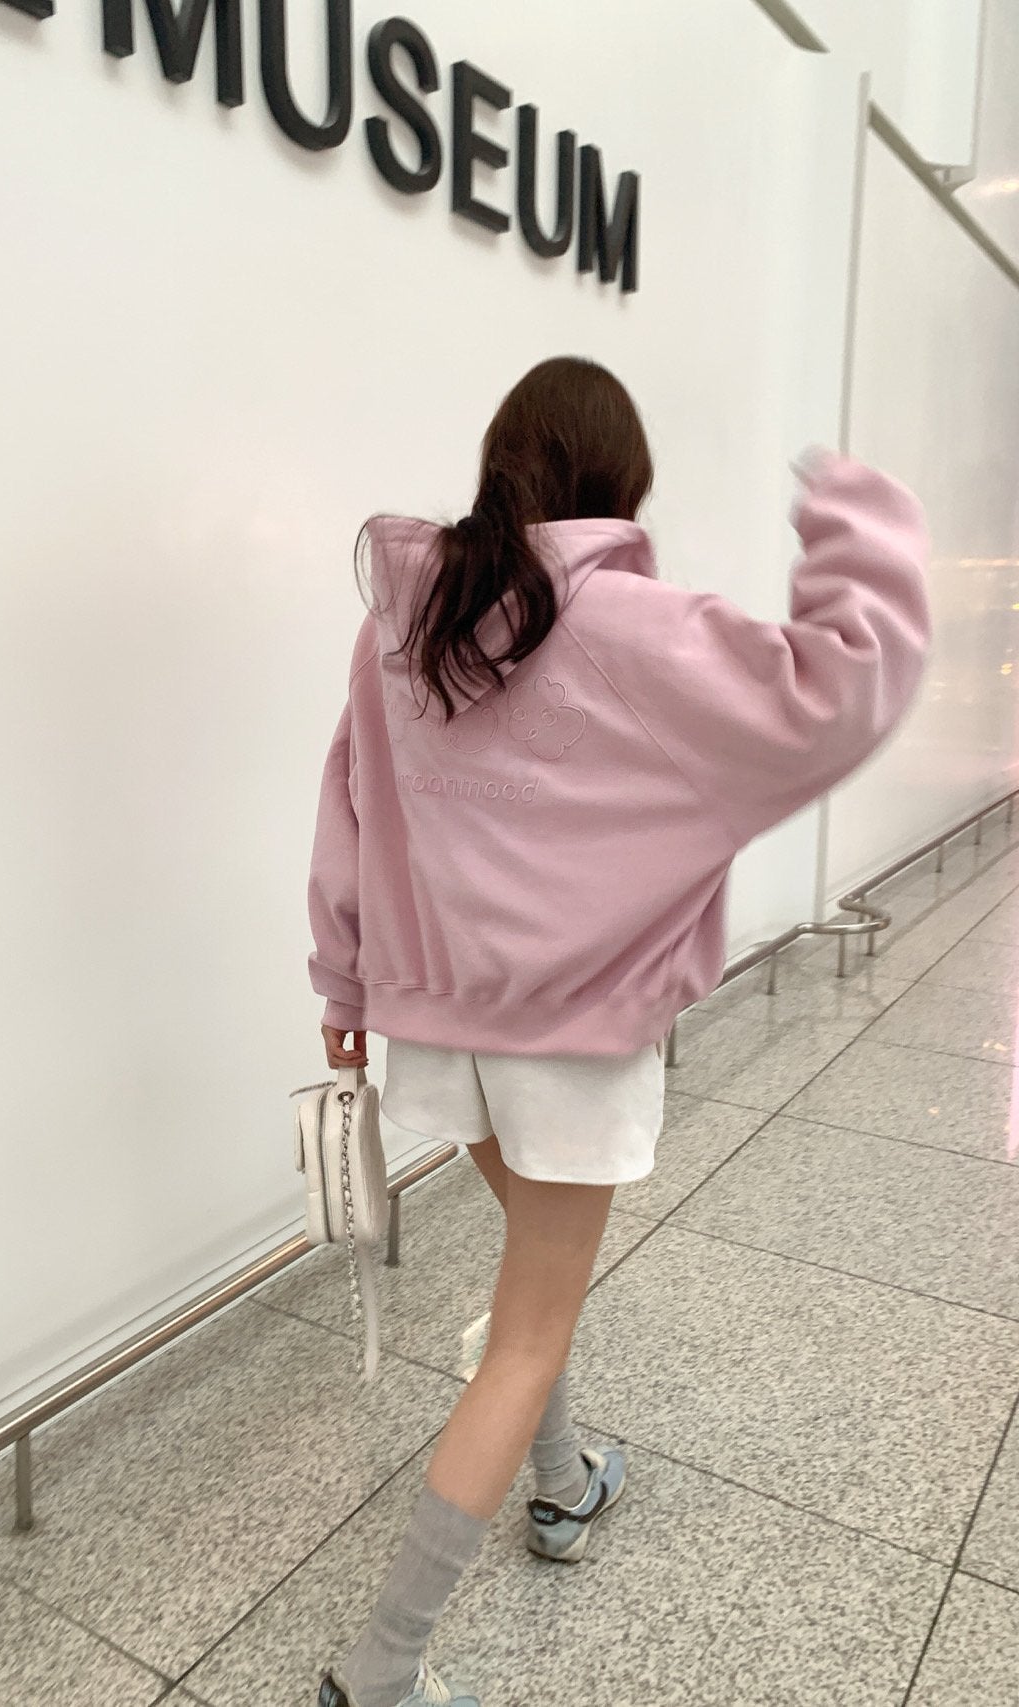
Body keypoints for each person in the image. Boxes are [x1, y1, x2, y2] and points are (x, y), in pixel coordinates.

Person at [306, 356, 931, 1707]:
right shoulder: (632, 628)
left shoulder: (400, 627)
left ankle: (564, 1480)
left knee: (539, 1277)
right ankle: (383, 1671)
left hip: (438, 1030)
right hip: (572, 1043)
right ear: (617, 483)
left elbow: (347, 808)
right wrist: (856, 516)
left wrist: (344, 993)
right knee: (530, 1325)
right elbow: (841, 691)